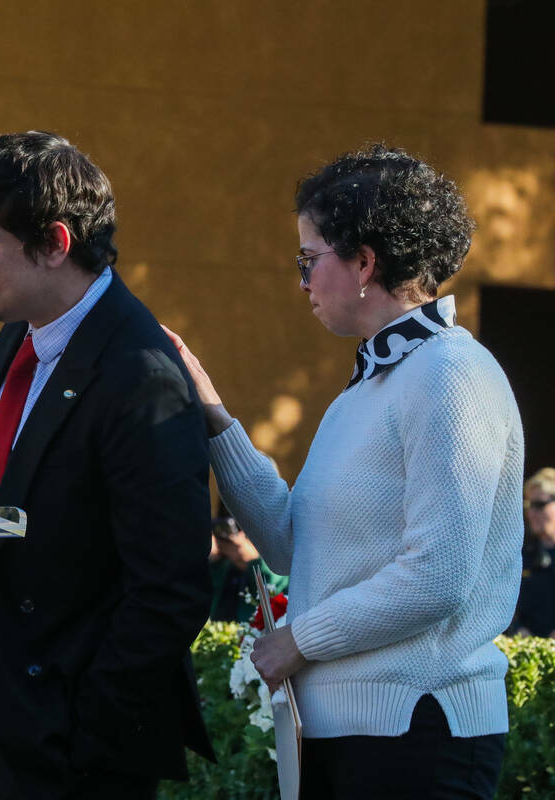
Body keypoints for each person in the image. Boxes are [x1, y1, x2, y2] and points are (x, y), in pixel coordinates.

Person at [167, 144, 524, 799]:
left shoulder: (450, 375)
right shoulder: (365, 389)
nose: (301, 281)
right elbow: (294, 546)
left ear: (364, 261)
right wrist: (212, 414)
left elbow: (438, 576)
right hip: (347, 736)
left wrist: (298, 640)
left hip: (420, 734)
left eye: (309, 259)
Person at [0, 131, 214, 799]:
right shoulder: (16, 336)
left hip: (65, 755)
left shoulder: (140, 375)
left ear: (55, 244)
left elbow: (169, 589)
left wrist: (78, 737)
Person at [209, 512, 288, 623]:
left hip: (249, 635)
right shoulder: (224, 564)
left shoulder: (281, 561)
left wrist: (252, 562)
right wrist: (214, 562)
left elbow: (274, 589)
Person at [512, 467, 555, 637]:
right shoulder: (521, 555)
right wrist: (518, 630)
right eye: (528, 505)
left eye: (539, 505)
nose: (531, 513)